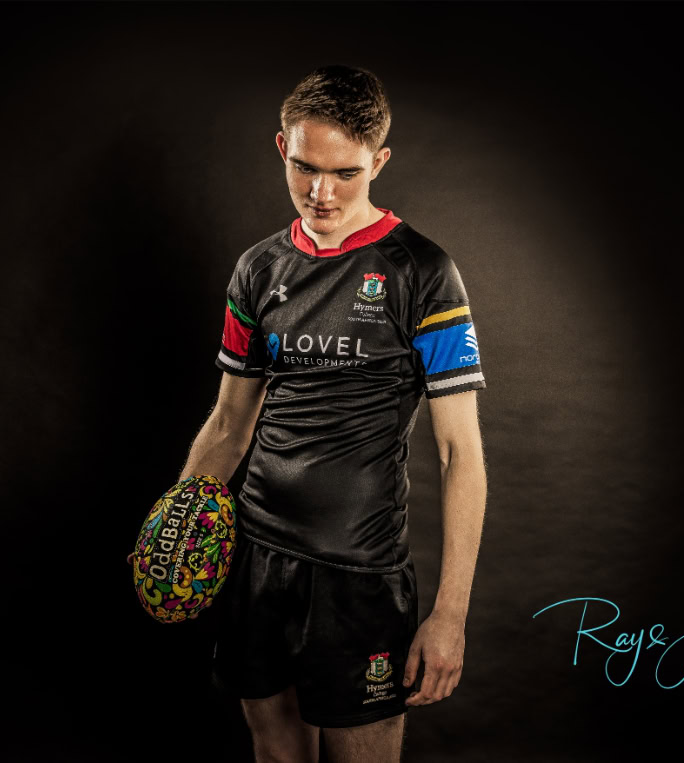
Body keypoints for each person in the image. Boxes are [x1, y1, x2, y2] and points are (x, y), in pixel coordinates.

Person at [180, 65, 488, 762]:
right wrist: (180, 517)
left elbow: (459, 454)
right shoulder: (257, 270)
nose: (320, 192)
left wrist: (450, 614)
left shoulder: (422, 271)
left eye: (344, 173)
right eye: (303, 167)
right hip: (255, 554)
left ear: (378, 161)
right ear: (281, 148)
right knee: (276, 748)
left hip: (360, 573)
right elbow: (229, 424)